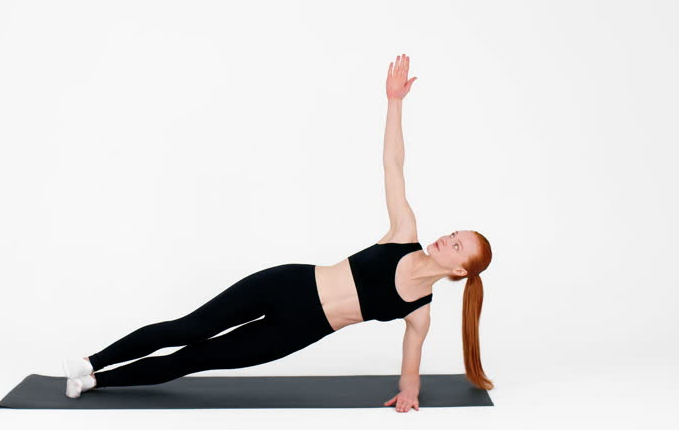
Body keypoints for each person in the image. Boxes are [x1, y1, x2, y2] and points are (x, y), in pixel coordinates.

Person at [61, 54, 494, 413]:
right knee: (187, 328)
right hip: (288, 284)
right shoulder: (404, 233)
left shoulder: (419, 312)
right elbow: (393, 165)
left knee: (194, 359)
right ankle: (89, 362)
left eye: (456, 245)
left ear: (459, 270)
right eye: (453, 233)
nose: (446, 238)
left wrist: (410, 393)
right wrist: (394, 103)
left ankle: (96, 382)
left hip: (295, 332)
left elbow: (410, 371)